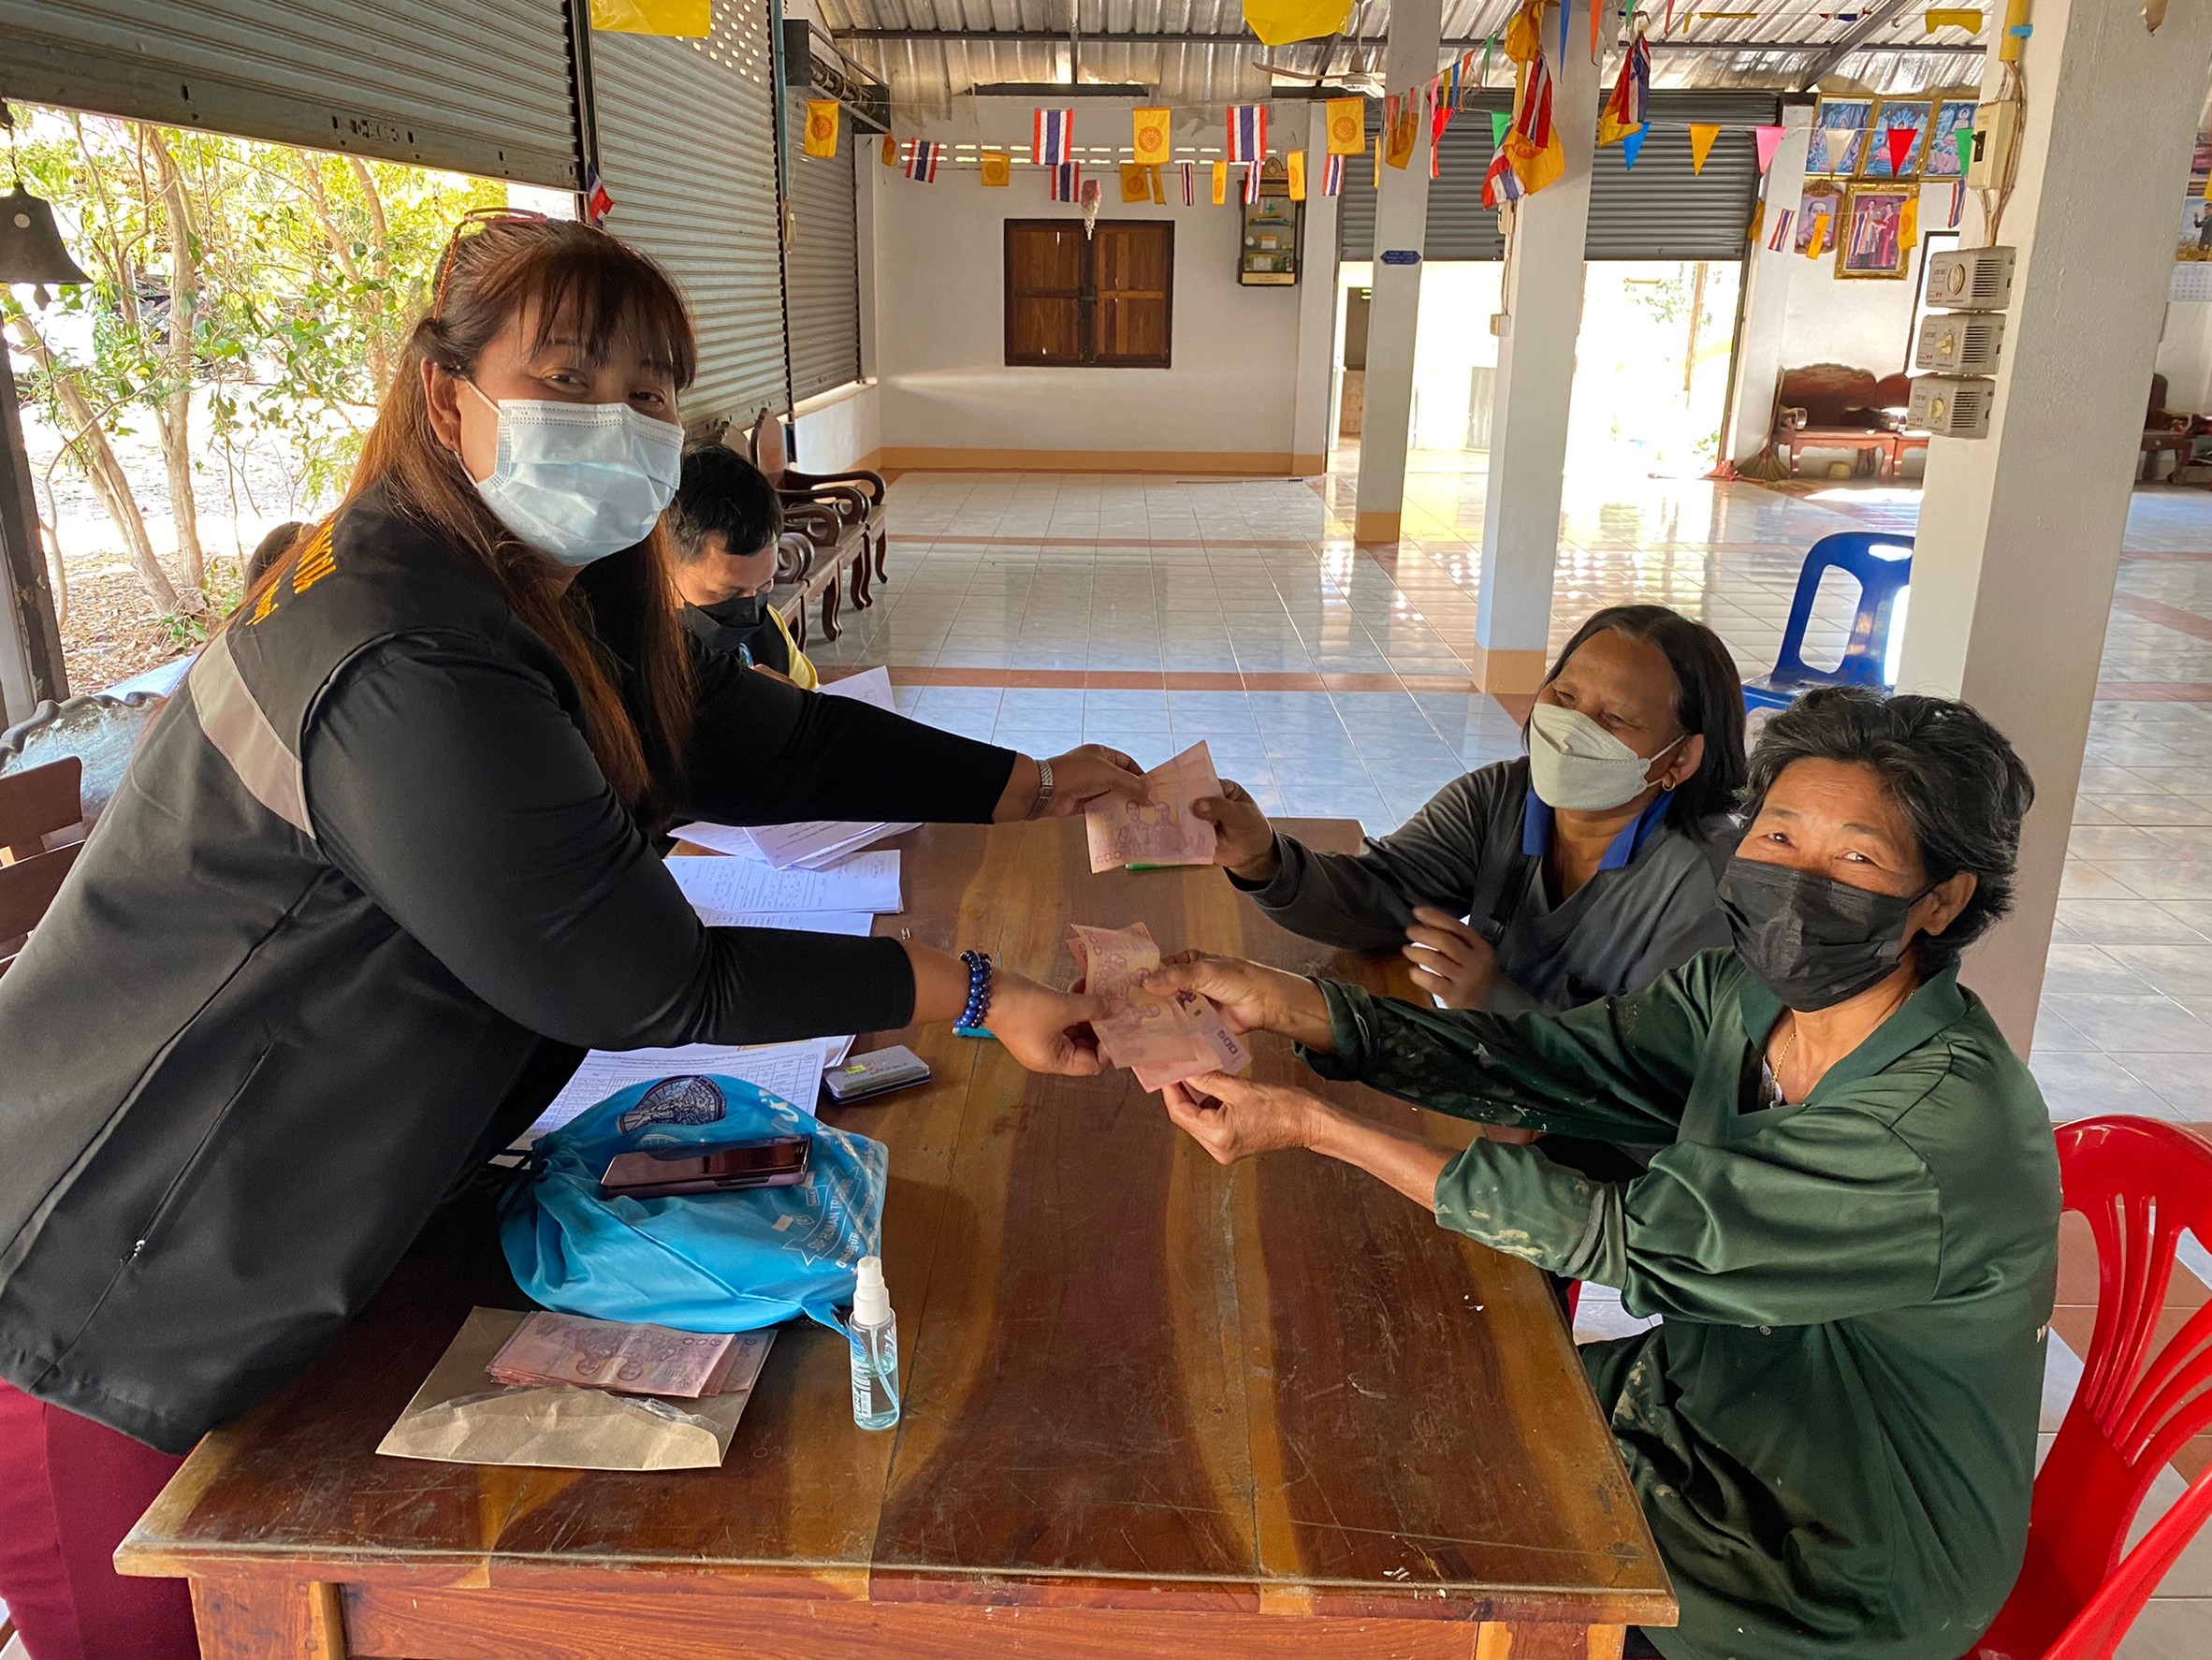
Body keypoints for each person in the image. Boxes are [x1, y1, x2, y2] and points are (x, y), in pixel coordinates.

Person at [0, 212, 1145, 1660]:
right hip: (113, 1268)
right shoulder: (402, 644)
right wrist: (973, 988)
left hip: (299, 1208)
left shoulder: (545, 580)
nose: (616, 423)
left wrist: (1026, 783)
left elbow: (760, 738)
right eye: (566, 380)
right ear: (447, 398)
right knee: (186, 1629)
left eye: (650, 394)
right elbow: (649, 978)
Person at [1146, 688, 2058, 1660]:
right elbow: (1545, 1063)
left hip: (1833, 1555)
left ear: (1942, 899)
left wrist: (1316, 1126)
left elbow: (1635, 1238)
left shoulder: (1933, 1129)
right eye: (1780, 836)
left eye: (1856, 859)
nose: (1798, 879)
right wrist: (1292, 1004)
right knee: (1390, 1429)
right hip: (1699, 1414)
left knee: (1430, 1569)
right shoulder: (1740, 997)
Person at [1198, 605, 1746, 1013]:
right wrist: (1263, 860)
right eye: (1565, 697)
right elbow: (1379, 899)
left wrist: (1495, 998)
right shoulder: (1501, 798)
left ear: (1680, 758)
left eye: (1615, 719)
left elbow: (1657, 1073)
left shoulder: (1704, 888)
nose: (1573, 728)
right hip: (1488, 1077)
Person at [664, 444, 819, 688]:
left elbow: (811, 694)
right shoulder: (634, 663)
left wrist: (795, 703)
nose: (750, 610)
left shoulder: (770, 631)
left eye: (765, 585)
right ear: (664, 567)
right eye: (729, 593)